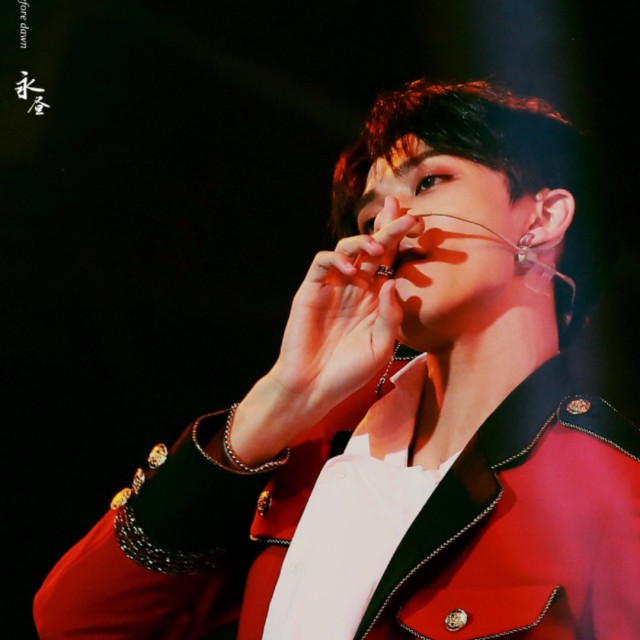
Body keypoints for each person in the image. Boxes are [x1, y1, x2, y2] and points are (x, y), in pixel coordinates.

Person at [34, 79, 639, 639]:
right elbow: (77, 624)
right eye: (370, 215)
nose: (390, 226)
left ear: (543, 217)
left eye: (430, 182)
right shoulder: (311, 451)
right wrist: (279, 402)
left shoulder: (615, 494)